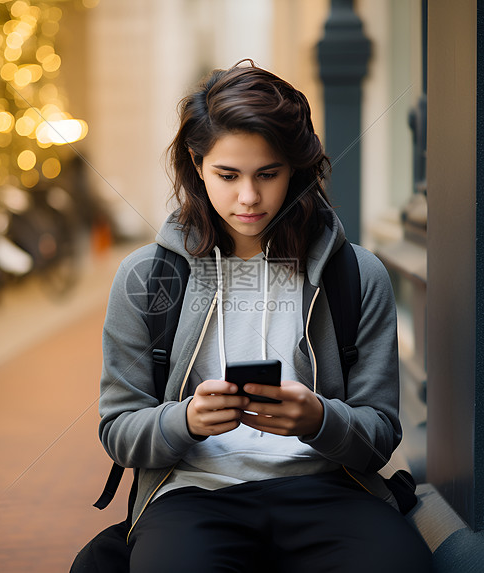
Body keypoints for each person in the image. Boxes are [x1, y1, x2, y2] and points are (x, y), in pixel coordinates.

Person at [97, 60, 432, 572]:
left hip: (327, 488)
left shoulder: (357, 275)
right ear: (197, 162)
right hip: (191, 494)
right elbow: (118, 428)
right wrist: (184, 420)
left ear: (296, 170)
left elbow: (380, 433)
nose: (249, 197)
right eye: (227, 175)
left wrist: (320, 419)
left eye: (268, 174)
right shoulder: (145, 277)